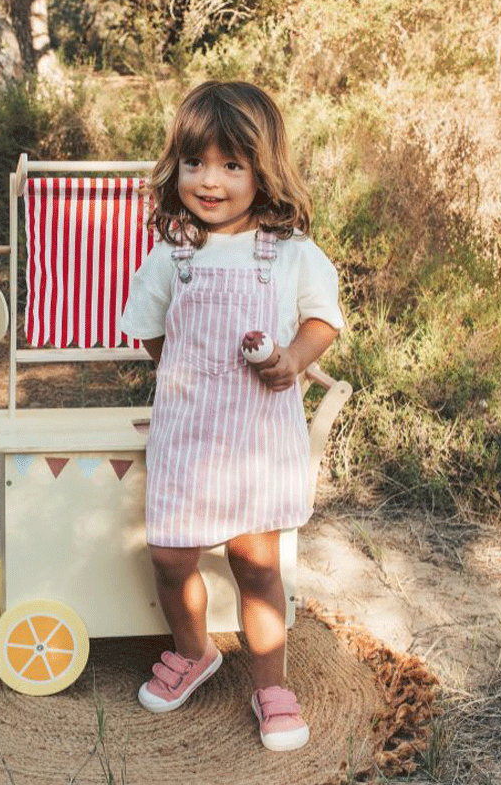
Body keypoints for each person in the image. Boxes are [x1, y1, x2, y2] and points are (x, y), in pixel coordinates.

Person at [120, 81, 344, 752]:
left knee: (257, 566)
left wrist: (293, 360)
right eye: (195, 164)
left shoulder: (289, 251)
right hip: (188, 435)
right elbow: (152, 331)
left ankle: (270, 682)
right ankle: (195, 650)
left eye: (230, 165)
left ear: (262, 170)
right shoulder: (173, 256)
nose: (209, 181)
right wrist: (185, 372)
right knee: (169, 556)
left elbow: (322, 319)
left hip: (257, 438)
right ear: (177, 169)